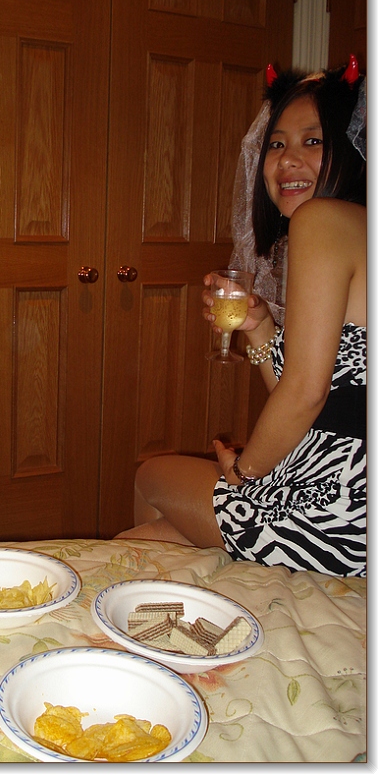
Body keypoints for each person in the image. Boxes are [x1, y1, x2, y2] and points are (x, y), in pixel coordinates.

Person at [116, 58, 366, 578]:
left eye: (312, 141)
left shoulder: (322, 221)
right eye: (276, 144)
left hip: (341, 508)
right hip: (337, 490)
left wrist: (245, 474)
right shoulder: (357, 229)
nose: (287, 160)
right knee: (137, 546)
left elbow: (305, 395)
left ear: (353, 149)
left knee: (152, 476)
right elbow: (325, 399)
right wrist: (259, 326)